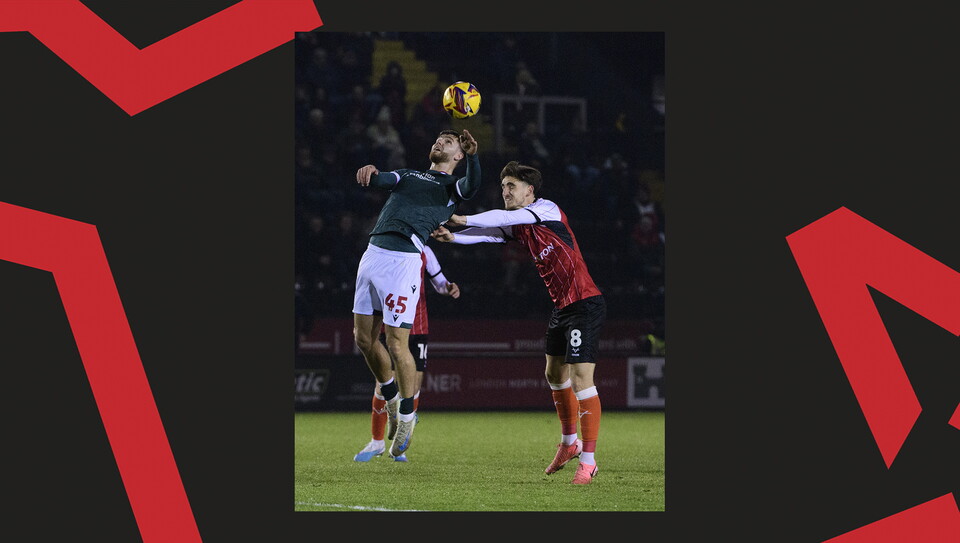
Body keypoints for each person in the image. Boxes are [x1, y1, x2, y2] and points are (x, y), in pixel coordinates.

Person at [431, 160, 606, 484]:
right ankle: (569, 444)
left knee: (582, 378)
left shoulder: (546, 209)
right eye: (502, 187)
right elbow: (489, 234)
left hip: (585, 303)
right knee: (554, 374)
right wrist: (453, 236)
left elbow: (500, 219)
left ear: (530, 191)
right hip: (562, 308)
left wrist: (459, 218)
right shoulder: (521, 225)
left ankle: (588, 461)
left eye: (511, 186)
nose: (505, 192)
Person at [353, 128, 480, 459]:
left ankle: (407, 416)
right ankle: (392, 398)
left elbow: (471, 186)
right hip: (373, 253)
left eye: (448, 142)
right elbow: (383, 179)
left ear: (458, 155)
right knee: (363, 339)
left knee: (397, 343)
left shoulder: (451, 187)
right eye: (438, 138)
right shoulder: (409, 174)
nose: (439, 142)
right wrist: (371, 172)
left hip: (403, 261)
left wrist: (474, 157)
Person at [353, 244, 460, 462]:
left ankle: (400, 445)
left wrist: (448, 287)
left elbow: (439, 283)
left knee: (413, 387)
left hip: (418, 327)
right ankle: (376, 441)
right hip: (392, 324)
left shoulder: (424, 252)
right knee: (382, 383)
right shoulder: (387, 249)